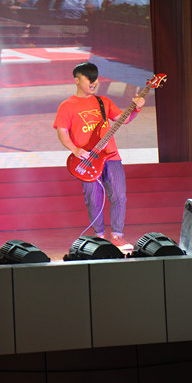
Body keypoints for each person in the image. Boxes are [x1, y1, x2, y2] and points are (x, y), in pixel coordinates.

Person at [53, 62, 145, 251]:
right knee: (93, 199)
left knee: (119, 196)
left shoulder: (103, 102)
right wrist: (75, 149)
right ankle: (99, 236)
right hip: (86, 160)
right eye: (89, 78)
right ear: (77, 80)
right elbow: (62, 132)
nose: (93, 82)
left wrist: (136, 108)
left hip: (111, 156)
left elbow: (124, 119)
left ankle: (118, 236)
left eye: (95, 78)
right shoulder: (67, 105)